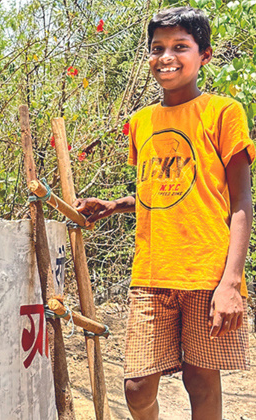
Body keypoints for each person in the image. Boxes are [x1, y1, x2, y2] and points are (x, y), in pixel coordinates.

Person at [73, 6, 255, 420]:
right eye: (157, 48)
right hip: (151, 272)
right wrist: (117, 203)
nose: (166, 56)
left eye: (180, 47)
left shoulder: (223, 113)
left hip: (206, 273)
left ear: (204, 55)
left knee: (201, 382)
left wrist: (231, 282)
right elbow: (164, 192)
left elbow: (240, 201)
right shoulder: (141, 122)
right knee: (136, 389)